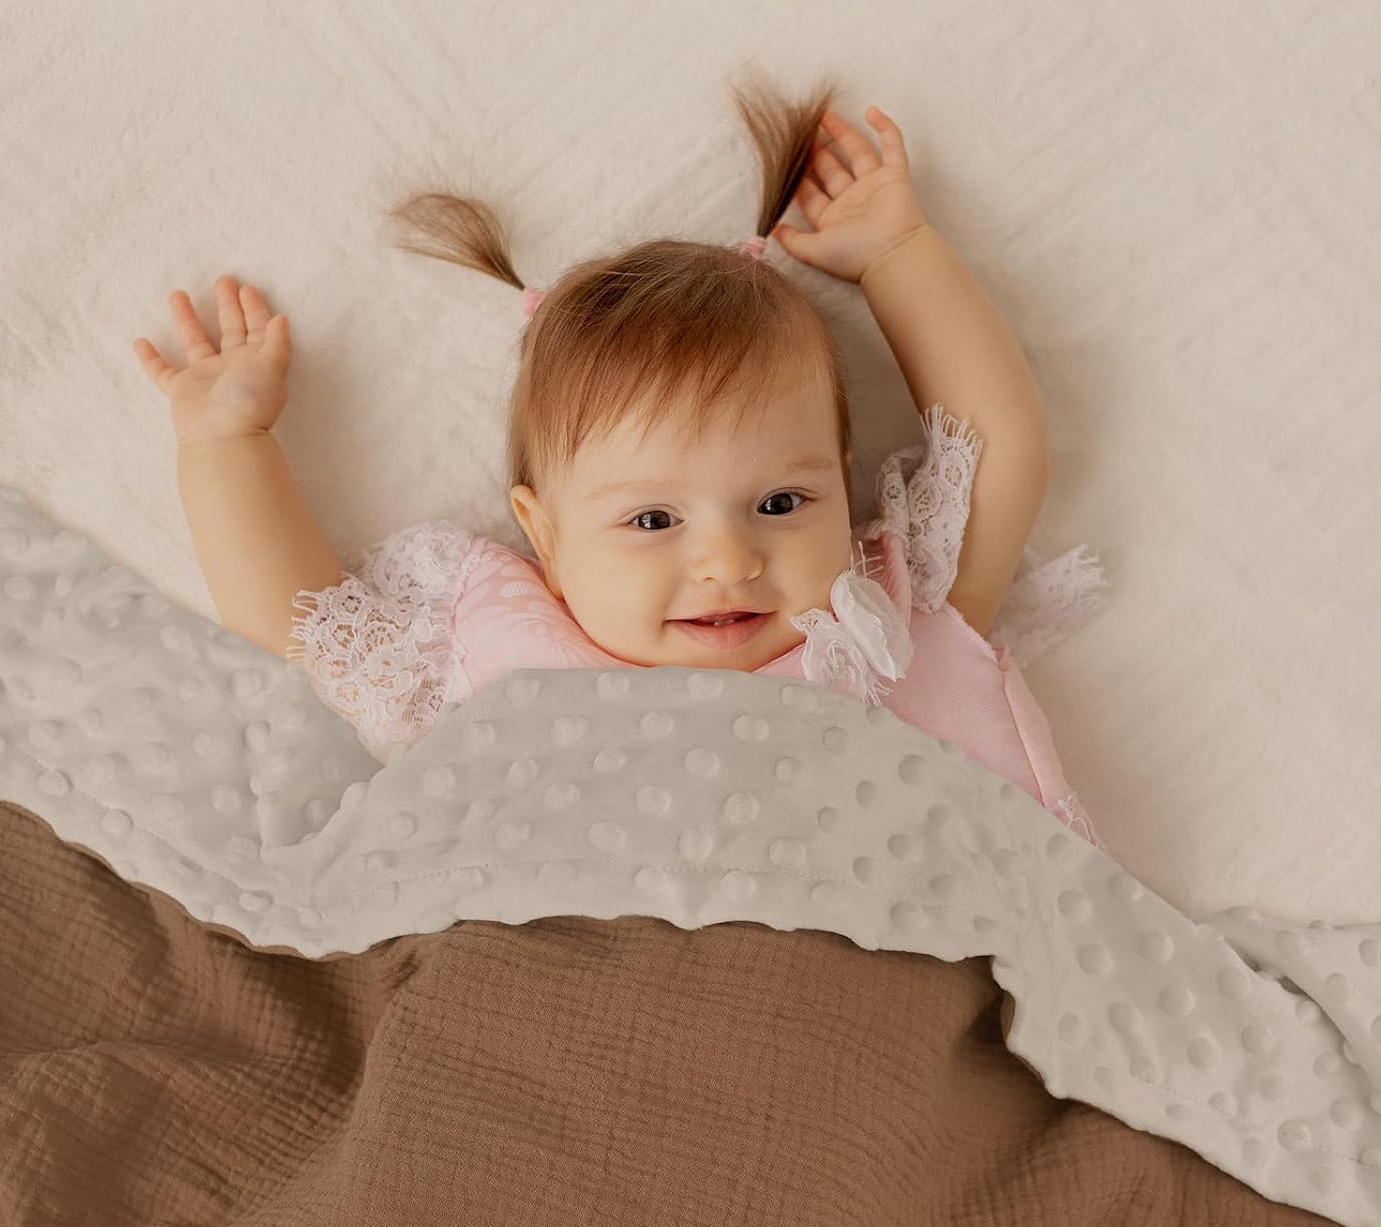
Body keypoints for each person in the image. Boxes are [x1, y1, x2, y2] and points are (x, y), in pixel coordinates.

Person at [132, 77, 1108, 848]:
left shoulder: (890, 622)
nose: (727, 561)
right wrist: (226, 445)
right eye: (652, 520)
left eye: (779, 502)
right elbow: (307, 638)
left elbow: (1001, 449)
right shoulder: (499, 664)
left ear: (841, 479)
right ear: (544, 535)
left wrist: (899, 254)